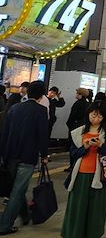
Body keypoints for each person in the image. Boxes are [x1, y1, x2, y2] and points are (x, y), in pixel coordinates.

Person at [61, 102, 106, 238]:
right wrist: (85, 147)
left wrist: (101, 145)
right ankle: (74, 233)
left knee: (96, 210)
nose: (96, 118)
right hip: (80, 176)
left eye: (99, 115)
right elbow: (73, 154)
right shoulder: (79, 131)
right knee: (77, 208)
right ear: (88, 114)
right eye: (93, 114)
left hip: (100, 177)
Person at [0, 80, 48, 234]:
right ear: (41, 96)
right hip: (27, 156)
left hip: (10, 155)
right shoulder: (40, 111)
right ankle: (4, 226)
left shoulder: (14, 108)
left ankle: (25, 216)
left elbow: (5, 133)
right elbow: (42, 136)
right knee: (17, 192)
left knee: (16, 188)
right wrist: (44, 155)